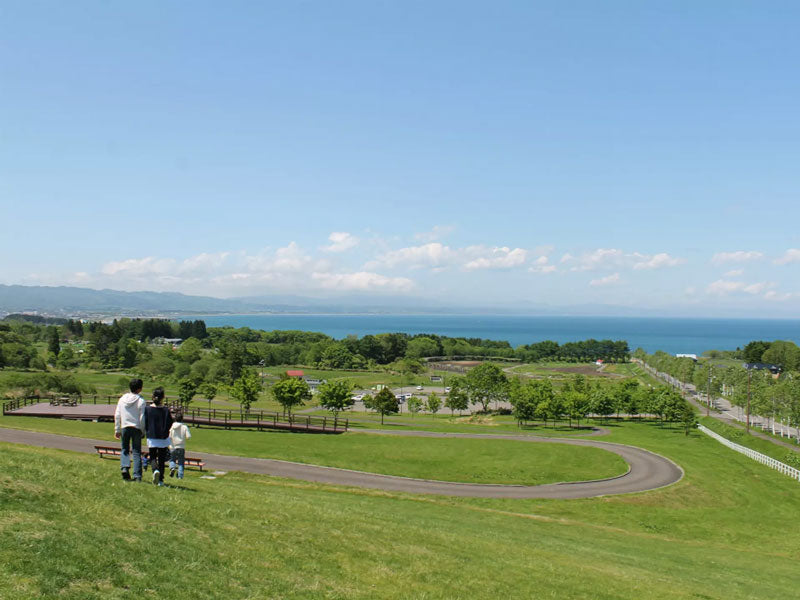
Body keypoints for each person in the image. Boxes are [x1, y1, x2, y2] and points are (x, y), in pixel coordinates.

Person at [114, 379, 146, 482]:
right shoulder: (141, 400)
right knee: (136, 451)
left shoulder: (122, 399)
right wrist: (142, 430)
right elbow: (142, 418)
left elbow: (117, 414)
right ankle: (137, 476)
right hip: (136, 427)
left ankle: (124, 467)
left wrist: (117, 429)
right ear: (139, 389)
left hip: (125, 426)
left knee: (125, 449)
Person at [145, 387, 173, 486]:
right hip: (163, 437)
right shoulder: (165, 410)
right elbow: (170, 423)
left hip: (151, 436)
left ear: (153, 397)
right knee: (162, 459)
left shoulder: (147, 409)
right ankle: (161, 480)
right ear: (163, 397)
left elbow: (145, 422)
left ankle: (154, 470)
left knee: (152, 456)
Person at [168, 410, 192, 479]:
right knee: (181, 462)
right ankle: (180, 476)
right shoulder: (184, 427)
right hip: (181, 446)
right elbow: (188, 437)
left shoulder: (172, 427)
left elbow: (169, 436)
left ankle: (172, 467)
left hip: (173, 446)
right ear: (182, 419)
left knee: (172, 459)